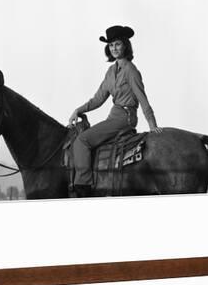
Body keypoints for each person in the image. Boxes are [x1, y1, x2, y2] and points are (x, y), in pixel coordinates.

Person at [68, 25, 163, 197]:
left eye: (117, 44)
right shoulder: (111, 71)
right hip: (114, 115)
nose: (114, 48)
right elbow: (98, 99)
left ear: (125, 45)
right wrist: (78, 110)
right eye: (111, 45)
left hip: (125, 117)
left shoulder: (131, 70)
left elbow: (143, 99)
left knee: (82, 140)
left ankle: (83, 186)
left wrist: (152, 124)